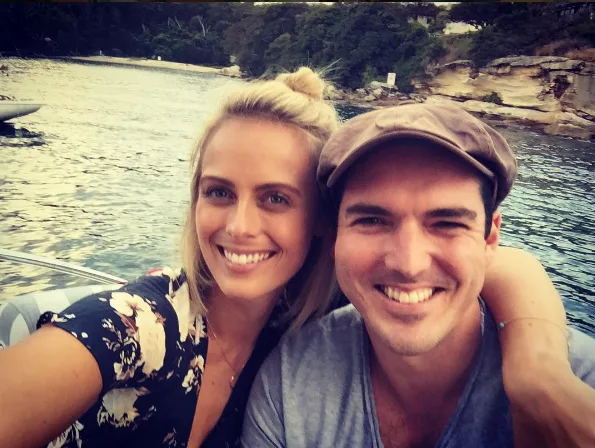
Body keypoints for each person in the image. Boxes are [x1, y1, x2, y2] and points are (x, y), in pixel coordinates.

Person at [0, 69, 582, 448]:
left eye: (276, 198)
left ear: (322, 223)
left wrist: (538, 373)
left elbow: (496, 265)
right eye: (218, 192)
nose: (239, 226)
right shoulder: (138, 323)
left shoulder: (333, 303)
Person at [242, 103, 595, 448]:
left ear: (490, 239)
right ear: (334, 236)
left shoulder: (580, 389)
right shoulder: (288, 381)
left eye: (447, 224)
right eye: (372, 220)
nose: (409, 264)